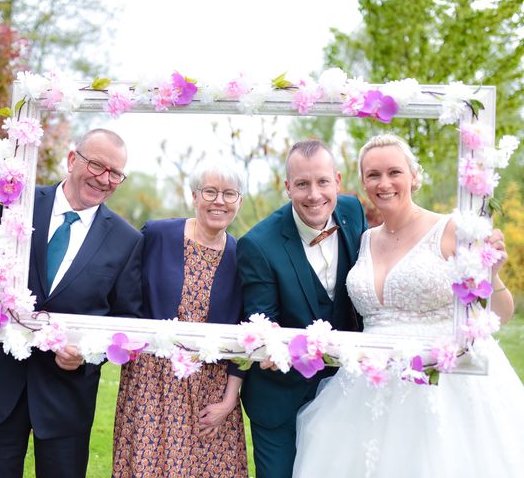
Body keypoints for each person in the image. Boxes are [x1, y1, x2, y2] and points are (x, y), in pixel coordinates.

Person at [293, 133, 524, 477]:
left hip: (444, 385)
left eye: (394, 172)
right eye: (373, 175)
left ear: (414, 176)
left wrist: (493, 272)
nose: (383, 183)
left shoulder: (452, 230)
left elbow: (500, 313)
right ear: (363, 182)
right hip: (366, 386)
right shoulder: (365, 239)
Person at [0, 129, 143, 478]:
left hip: (65, 397)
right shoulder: (18, 203)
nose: (105, 179)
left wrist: (85, 354)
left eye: (115, 173)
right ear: (72, 160)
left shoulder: (128, 240)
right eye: (97, 165)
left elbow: (125, 321)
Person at [236, 139, 368, 478]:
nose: (314, 195)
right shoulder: (258, 245)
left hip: (345, 390)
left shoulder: (353, 212)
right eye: (302, 184)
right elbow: (263, 324)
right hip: (281, 395)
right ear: (287, 187)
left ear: (337, 181)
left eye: (323, 182)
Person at [111, 159, 248, 478]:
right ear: (194, 195)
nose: (219, 201)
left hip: (209, 392)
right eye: (210, 191)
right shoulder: (157, 234)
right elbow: (126, 295)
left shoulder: (242, 256)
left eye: (229, 194)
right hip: (151, 384)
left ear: (239, 201)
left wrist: (229, 402)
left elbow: (246, 335)